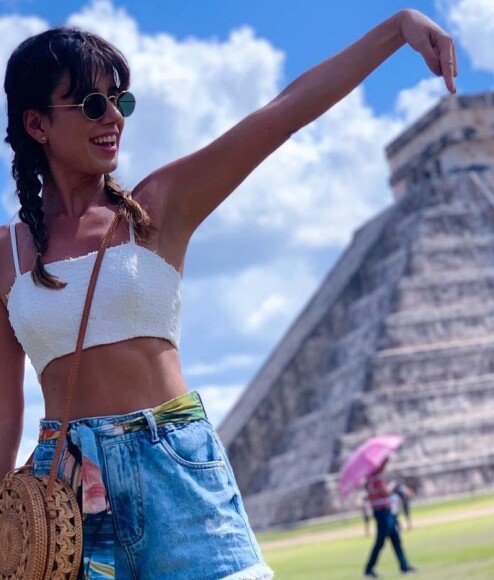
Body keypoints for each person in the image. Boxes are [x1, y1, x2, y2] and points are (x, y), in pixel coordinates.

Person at [0, 8, 456, 579]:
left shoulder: (157, 208)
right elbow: (4, 406)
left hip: (176, 463)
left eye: (121, 100)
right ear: (38, 125)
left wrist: (395, 31)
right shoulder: (7, 255)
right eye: (93, 104)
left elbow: (279, 117)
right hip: (66, 493)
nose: (113, 116)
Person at [363, 459, 417, 577]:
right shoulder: (376, 478)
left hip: (384, 512)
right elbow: (385, 493)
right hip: (383, 513)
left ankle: (404, 565)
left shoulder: (369, 480)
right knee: (380, 542)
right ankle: (368, 569)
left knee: (395, 539)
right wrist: (392, 486)